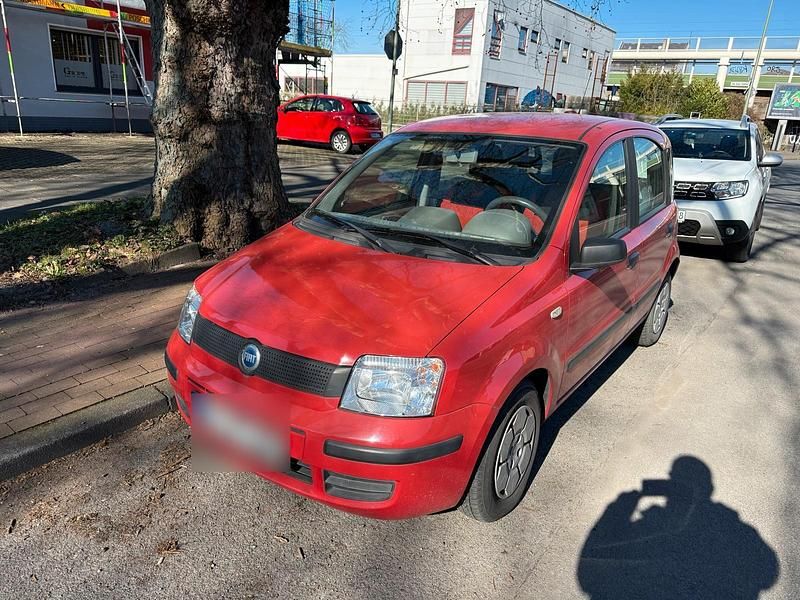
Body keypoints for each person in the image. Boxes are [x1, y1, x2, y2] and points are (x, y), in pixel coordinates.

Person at [577, 456, 779, 599]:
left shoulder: (654, 523)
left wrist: (619, 507)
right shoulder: (737, 528)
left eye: (673, 476)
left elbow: (589, 570)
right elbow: (769, 571)